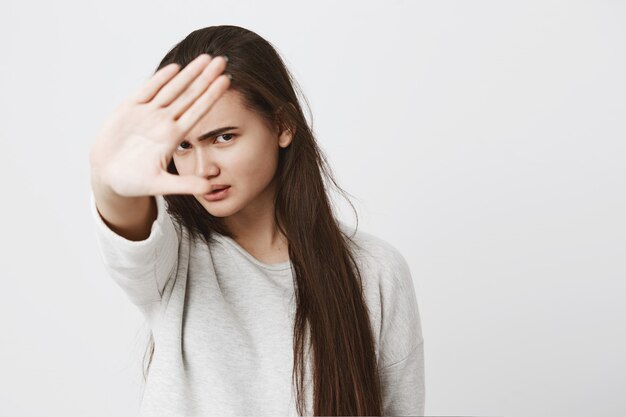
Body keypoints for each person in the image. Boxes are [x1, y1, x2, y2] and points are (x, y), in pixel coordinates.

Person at [89, 24, 424, 417]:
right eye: (183, 145)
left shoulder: (374, 271)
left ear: (283, 125)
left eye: (223, 137)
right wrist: (108, 181)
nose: (202, 167)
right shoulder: (173, 256)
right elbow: (127, 227)